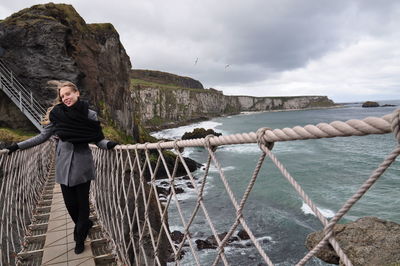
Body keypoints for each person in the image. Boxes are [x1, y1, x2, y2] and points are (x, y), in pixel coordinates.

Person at [6, 81, 118, 254]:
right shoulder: (56, 114)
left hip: (82, 165)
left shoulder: (90, 115)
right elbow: (42, 137)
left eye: (68, 94)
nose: (65, 98)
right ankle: (85, 224)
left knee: (83, 205)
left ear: (77, 93)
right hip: (63, 165)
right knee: (71, 205)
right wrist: (18, 146)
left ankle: (79, 238)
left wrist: (109, 144)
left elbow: (97, 138)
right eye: (62, 96)